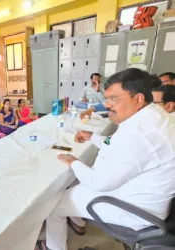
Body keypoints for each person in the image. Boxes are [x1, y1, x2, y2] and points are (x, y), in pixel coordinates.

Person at [46, 68, 175, 250]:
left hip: (135, 211)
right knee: (74, 184)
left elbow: (98, 182)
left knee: (52, 204)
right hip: (147, 198)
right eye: (107, 98)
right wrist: (94, 137)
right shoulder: (154, 116)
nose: (107, 105)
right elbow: (119, 146)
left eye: (113, 99)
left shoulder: (137, 133)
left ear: (137, 99)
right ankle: (78, 222)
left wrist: (72, 161)